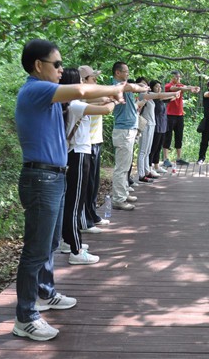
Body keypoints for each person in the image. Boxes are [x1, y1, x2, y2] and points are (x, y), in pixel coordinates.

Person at [13, 39, 141, 341]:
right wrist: (117, 88)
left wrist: (116, 93)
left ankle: (45, 293)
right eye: (56, 64)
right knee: (35, 250)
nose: (61, 69)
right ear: (38, 66)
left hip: (53, 177)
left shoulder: (47, 96)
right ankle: (26, 317)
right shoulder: (35, 89)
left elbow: (84, 100)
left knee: (49, 244)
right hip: (41, 179)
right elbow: (82, 91)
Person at [59, 68, 115, 265]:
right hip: (79, 154)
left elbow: (95, 101)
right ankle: (76, 250)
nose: (82, 85)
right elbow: (106, 110)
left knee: (71, 201)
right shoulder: (75, 105)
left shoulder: (68, 103)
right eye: (80, 82)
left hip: (73, 153)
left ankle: (67, 241)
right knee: (75, 203)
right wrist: (116, 100)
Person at [77, 65, 111, 233]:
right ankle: (85, 222)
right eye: (93, 78)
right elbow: (100, 104)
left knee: (93, 183)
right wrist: (109, 100)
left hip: (95, 141)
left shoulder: (92, 94)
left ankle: (92, 215)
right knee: (86, 184)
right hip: (86, 144)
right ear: (84, 80)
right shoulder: (80, 96)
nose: (96, 81)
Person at [110, 62, 149, 211]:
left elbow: (133, 87)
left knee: (126, 166)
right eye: (125, 71)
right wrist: (141, 87)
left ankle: (124, 193)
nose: (128, 74)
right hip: (123, 130)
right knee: (121, 167)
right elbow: (131, 87)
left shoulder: (124, 85)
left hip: (129, 129)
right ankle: (118, 199)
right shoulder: (116, 85)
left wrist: (140, 86)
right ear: (117, 73)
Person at [135, 77, 180, 182]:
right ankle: (141, 174)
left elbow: (161, 96)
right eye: (141, 84)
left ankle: (147, 171)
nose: (144, 86)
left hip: (152, 124)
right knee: (143, 151)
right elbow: (160, 95)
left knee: (147, 151)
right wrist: (174, 92)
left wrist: (174, 95)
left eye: (145, 84)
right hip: (145, 125)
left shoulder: (149, 95)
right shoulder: (142, 95)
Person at [162, 70, 200, 167]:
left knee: (179, 136)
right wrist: (189, 89)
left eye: (179, 77)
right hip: (170, 115)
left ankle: (179, 158)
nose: (178, 78)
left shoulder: (181, 85)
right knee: (168, 136)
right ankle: (165, 159)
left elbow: (186, 87)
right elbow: (177, 88)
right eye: (176, 77)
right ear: (172, 78)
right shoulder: (168, 86)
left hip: (179, 115)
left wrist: (194, 88)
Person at [149, 80, 172, 175]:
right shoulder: (152, 97)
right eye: (156, 86)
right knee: (153, 147)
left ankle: (156, 166)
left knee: (159, 147)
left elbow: (170, 98)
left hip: (162, 126)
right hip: (155, 126)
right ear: (151, 88)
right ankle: (149, 167)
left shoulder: (161, 98)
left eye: (160, 86)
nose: (159, 88)